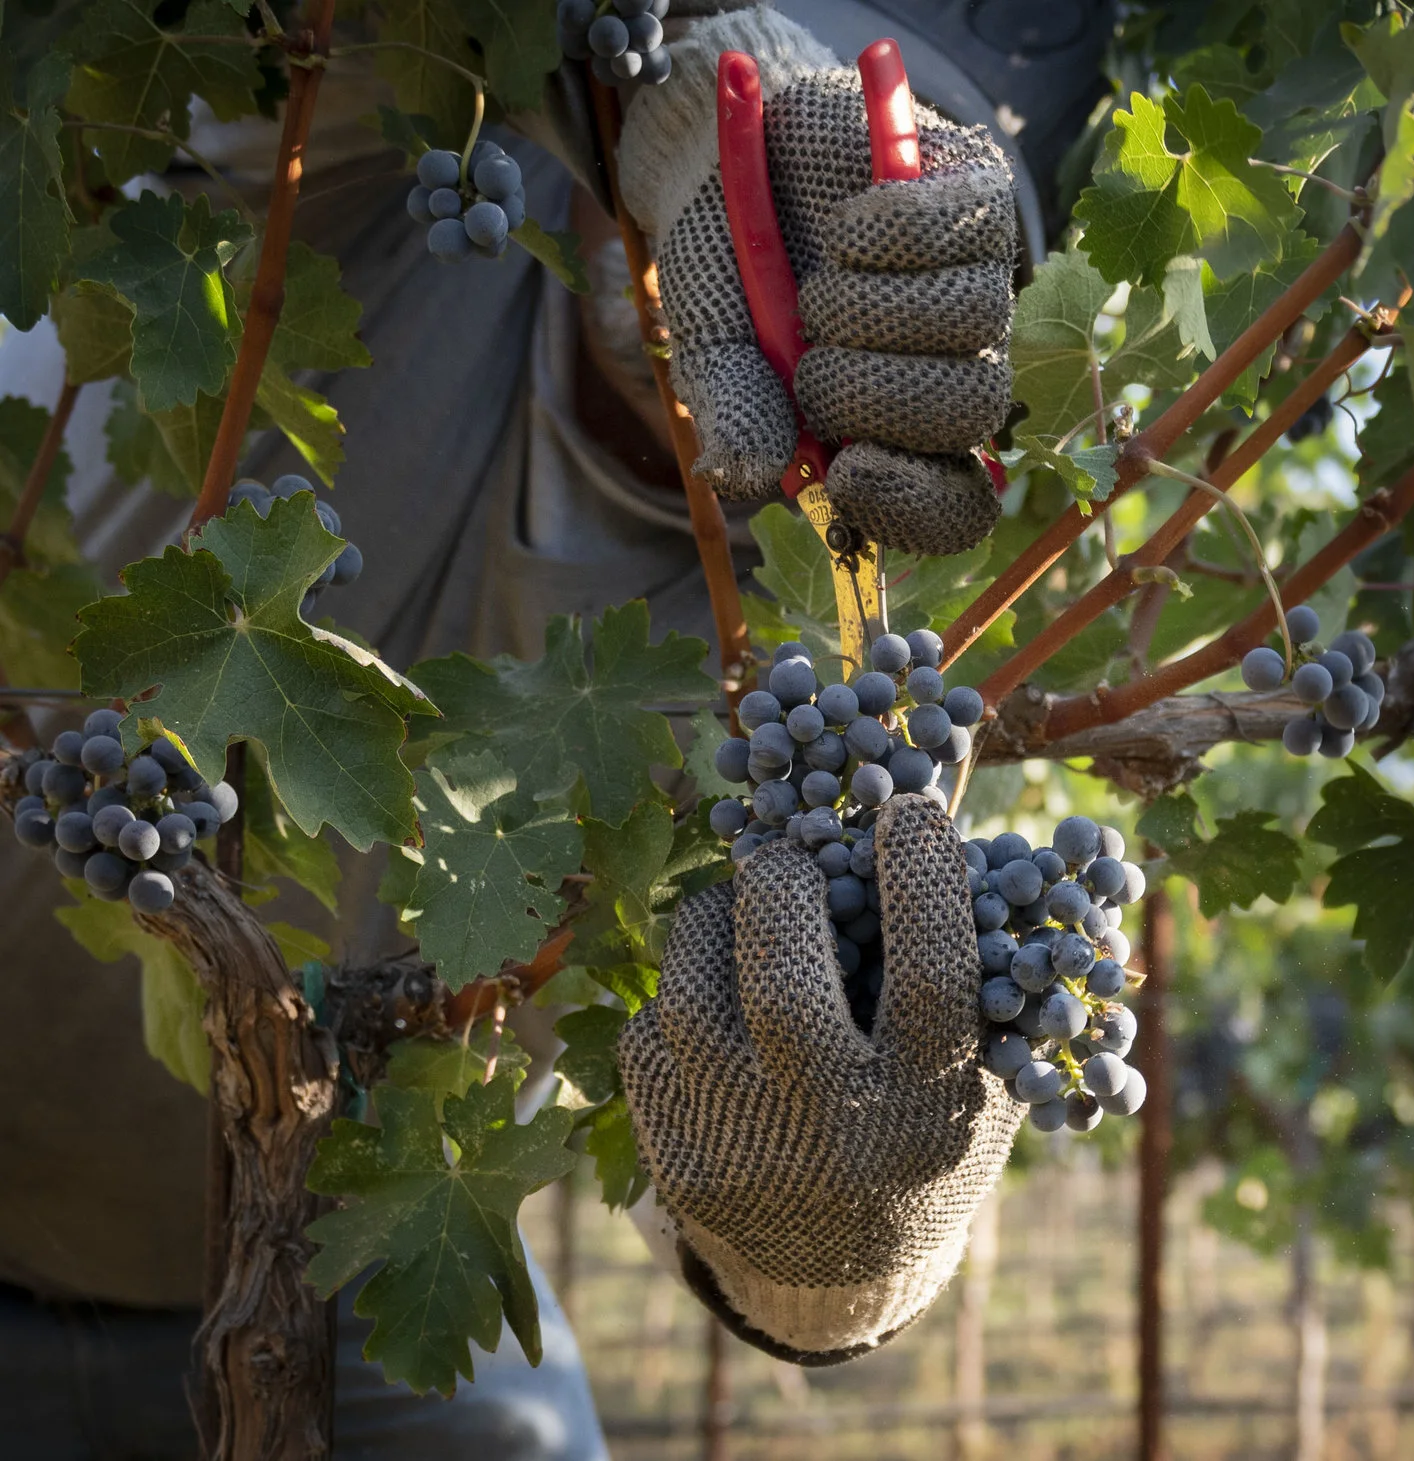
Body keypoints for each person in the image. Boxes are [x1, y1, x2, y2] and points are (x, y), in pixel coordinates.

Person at [0, 1, 1113, 1453]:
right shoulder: (395, 156)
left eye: (923, 259)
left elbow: (719, 1122)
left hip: (352, 1270)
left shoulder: (803, 696)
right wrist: (694, 89)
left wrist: (835, 1257)